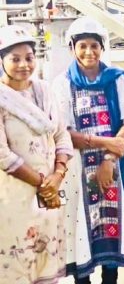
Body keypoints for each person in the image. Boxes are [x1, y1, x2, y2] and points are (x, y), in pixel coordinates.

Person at [52, 17, 124, 284]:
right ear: (72, 48)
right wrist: (106, 143)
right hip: (78, 172)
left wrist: (109, 160)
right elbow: (64, 133)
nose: (89, 52)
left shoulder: (117, 79)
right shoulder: (62, 84)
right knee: (82, 230)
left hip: (113, 171)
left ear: (102, 47)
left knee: (111, 235)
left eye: (94, 45)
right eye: (82, 46)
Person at [0, 25, 74, 283]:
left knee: (47, 262)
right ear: (2, 60)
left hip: (49, 196)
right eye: (15, 59)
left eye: (29, 58)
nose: (24, 65)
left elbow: (61, 135)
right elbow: (2, 154)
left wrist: (58, 175)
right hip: (14, 196)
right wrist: (44, 184)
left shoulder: (44, 91)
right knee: (17, 264)